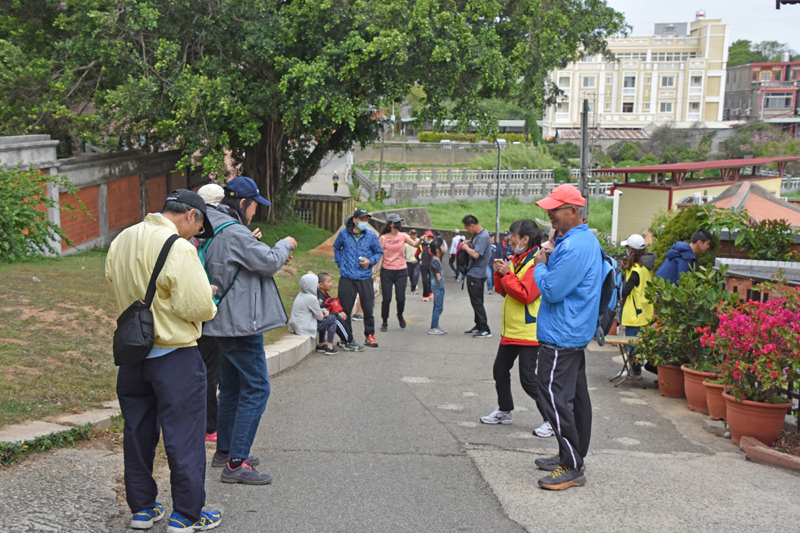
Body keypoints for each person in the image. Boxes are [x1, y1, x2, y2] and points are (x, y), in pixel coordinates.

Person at [105, 189, 222, 531]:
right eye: (198, 228)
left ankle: (142, 509)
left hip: (133, 355)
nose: (195, 235)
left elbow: (114, 280)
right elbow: (198, 307)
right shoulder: (179, 247)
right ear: (191, 216)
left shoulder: (122, 239)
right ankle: (187, 514)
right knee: (183, 435)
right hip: (174, 357)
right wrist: (209, 296)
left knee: (137, 434)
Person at [202, 176, 297, 486]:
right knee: (257, 388)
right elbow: (268, 262)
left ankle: (225, 450)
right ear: (242, 203)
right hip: (240, 323)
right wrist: (285, 244)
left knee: (231, 387)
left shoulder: (213, 224)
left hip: (223, 322)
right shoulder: (233, 232)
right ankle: (236, 463)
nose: (256, 212)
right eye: (255, 205)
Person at [532, 184, 602, 491]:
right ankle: (570, 453)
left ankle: (571, 463)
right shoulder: (579, 241)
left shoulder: (575, 246)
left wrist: (540, 266)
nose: (550, 214)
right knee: (574, 398)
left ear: (574, 211)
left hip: (561, 334)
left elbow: (551, 290)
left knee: (552, 395)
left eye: (555, 209)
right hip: (571, 332)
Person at [480, 219, 553, 438]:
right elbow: (507, 291)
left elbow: (525, 295)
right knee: (500, 371)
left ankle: (552, 419)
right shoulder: (518, 259)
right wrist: (499, 273)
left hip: (528, 332)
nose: (509, 239)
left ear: (525, 239)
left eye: (513, 235)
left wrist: (507, 274)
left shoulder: (535, 262)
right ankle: (504, 410)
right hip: (511, 330)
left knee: (529, 379)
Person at [196, 183, 226, 447]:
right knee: (210, 372)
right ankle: (210, 427)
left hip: (193, 310)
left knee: (202, 369)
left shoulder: (193, 231)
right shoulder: (223, 228)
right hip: (210, 306)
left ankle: (205, 424)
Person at [333, 208, 383, 348]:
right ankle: (347, 337)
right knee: (345, 309)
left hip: (365, 277)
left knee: (368, 308)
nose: (364, 222)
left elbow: (378, 252)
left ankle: (369, 336)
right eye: (362, 219)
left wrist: (370, 262)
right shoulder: (344, 233)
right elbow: (337, 247)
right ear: (355, 220)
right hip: (347, 277)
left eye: (366, 219)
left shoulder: (371, 236)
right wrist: (340, 262)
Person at [377, 213, 422, 331]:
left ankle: (400, 315)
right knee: (386, 298)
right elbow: (378, 255)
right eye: (397, 222)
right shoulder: (383, 238)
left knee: (400, 298)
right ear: (391, 224)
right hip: (387, 271)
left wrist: (421, 240)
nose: (399, 224)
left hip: (401, 271)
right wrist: (374, 272)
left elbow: (415, 244)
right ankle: (384, 322)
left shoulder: (403, 236)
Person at [619, 234, 656, 377]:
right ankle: (635, 370)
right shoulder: (645, 267)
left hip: (635, 313)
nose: (626, 250)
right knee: (638, 344)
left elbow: (626, 290)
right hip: (644, 311)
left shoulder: (635, 269)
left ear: (631, 250)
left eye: (627, 247)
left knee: (632, 344)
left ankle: (635, 371)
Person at [289, 272, 339, 356]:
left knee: (326, 318)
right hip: (305, 328)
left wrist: (323, 310)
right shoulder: (312, 298)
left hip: (298, 326)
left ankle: (322, 344)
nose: (318, 286)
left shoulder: (300, 294)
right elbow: (320, 317)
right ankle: (329, 347)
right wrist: (324, 313)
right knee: (332, 318)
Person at [460, 215, 492, 338]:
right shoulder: (478, 235)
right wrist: (469, 243)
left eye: (467, 228)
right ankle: (478, 325)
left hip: (477, 274)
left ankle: (485, 328)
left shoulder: (483, 236)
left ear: (472, 226)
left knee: (477, 302)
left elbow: (476, 254)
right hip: (475, 273)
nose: (468, 230)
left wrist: (465, 247)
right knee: (476, 301)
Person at [317, 272, 364, 352]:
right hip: (318, 321)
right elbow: (322, 312)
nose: (331, 284)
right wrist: (338, 314)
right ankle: (349, 342)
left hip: (323, 318)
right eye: (328, 282)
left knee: (340, 316)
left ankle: (346, 339)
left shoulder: (324, 294)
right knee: (337, 319)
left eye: (331, 281)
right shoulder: (319, 296)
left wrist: (340, 313)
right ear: (320, 285)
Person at [428, 236, 448, 334]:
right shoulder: (435, 261)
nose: (444, 248)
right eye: (442, 246)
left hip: (437, 286)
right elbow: (437, 274)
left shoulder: (435, 259)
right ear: (437, 250)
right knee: (439, 307)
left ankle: (435, 325)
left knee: (437, 306)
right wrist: (440, 284)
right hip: (437, 286)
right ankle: (434, 327)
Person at [419, 231, 434, 301]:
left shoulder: (435, 244)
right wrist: (420, 260)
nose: (428, 238)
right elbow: (416, 254)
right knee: (425, 280)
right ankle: (426, 295)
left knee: (431, 279)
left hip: (432, 264)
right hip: (424, 265)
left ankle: (431, 291)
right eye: (427, 237)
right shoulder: (421, 245)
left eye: (430, 237)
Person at [405, 229, 421, 294]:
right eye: (412, 234)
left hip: (416, 261)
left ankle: (413, 288)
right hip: (408, 261)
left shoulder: (419, 241)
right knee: (411, 276)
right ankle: (413, 288)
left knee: (416, 275)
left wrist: (421, 259)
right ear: (410, 235)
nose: (414, 236)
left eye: (415, 234)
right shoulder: (406, 242)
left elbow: (422, 250)